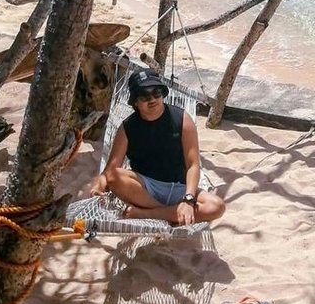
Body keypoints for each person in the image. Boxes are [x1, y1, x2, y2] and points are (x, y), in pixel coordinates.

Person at [90, 68, 226, 226]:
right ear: (135, 101)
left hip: (179, 188)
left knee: (217, 207)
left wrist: (188, 200)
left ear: (163, 94)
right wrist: (98, 186)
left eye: (156, 92)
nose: (152, 99)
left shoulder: (182, 119)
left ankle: (148, 214)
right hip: (145, 190)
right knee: (113, 176)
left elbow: (193, 165)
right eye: (144, 95)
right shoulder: (127, 128)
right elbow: (110, 170)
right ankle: (170, 213)